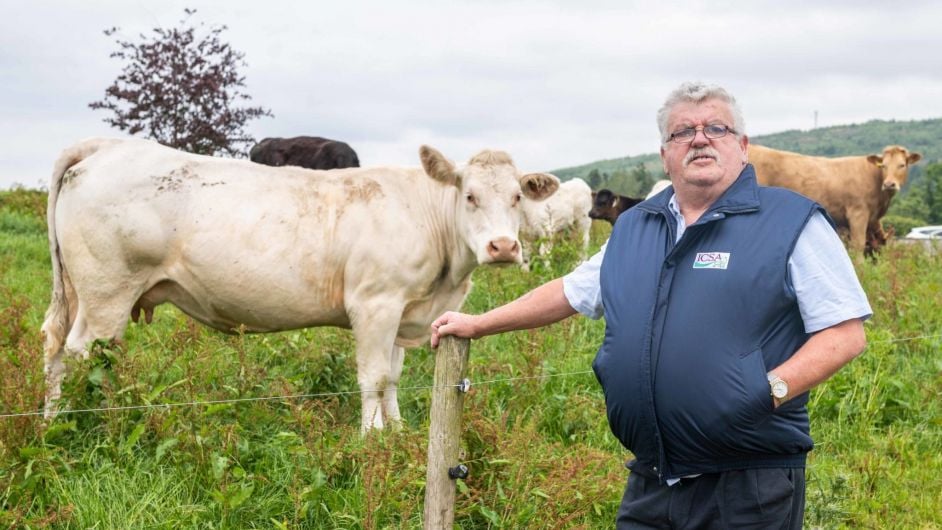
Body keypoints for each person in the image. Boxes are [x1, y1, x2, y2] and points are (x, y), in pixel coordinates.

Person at [430, 81, 871, 529]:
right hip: (653, 477)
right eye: (682, 132)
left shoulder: (790, 221)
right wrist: (480, 323)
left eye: (715, 127)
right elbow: (569, 291)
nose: (699, 138)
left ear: (741, 146)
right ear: (665, 154)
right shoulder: (636, 227)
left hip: (749, 481)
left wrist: (768, 390)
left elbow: (845, 333)